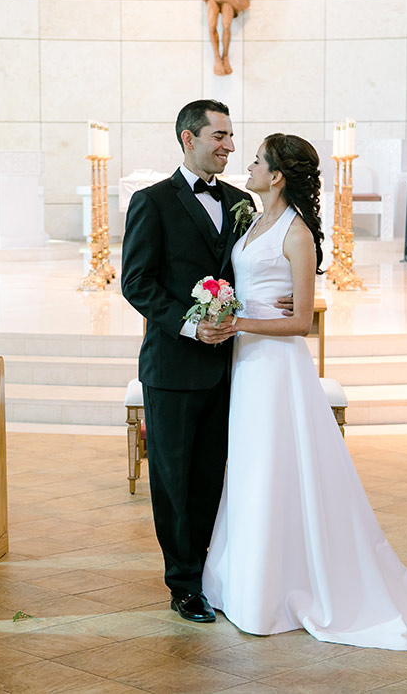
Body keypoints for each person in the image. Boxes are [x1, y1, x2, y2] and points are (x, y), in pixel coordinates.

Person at [201, 133, 407, 648]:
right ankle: (244, 581)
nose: (247, 165)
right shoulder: (252, 219)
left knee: (273, 466)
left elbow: (301, 325)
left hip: (276, 368)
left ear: (278, 175)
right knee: (249, 468)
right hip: (248, 363)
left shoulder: (296, 234)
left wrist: (238, 320)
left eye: (257, 161)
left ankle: (276, 589)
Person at [120, 100, 255, 623]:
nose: (229, 146)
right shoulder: (151, 202)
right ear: (187, 139)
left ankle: (212, 573)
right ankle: (183, 585)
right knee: (174, 482)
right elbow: (137, 282)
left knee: (211, 479)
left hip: (231, 367)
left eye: (230, 136)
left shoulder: (243, 202)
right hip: (173, 367)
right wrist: (190, 323)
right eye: (218, 136)